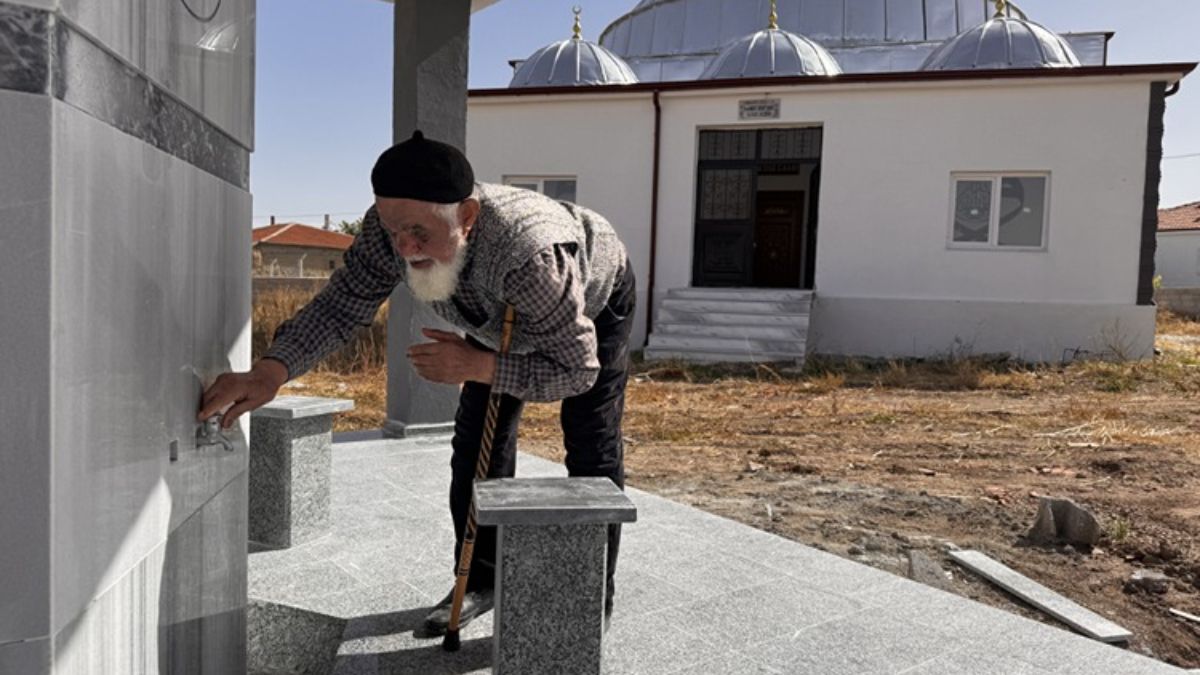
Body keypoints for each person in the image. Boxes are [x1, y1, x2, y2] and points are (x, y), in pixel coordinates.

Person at [198, 130, 635, 636]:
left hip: (590, 303)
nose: (404, 248)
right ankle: (478, 580)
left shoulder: (532, 256)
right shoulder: (391, 234)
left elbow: (577, 371)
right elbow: (342, 306)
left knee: (590, 442)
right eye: (392, 229)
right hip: (499, 318)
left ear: (466, 217)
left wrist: (479, 367)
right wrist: (271, 371)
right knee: (476, 446)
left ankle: (592, 590)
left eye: (419, 233)